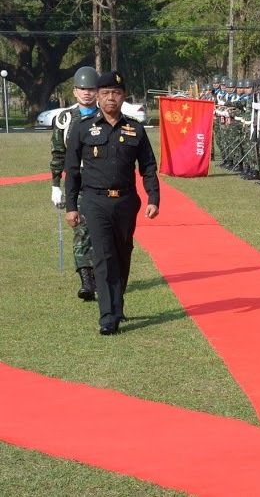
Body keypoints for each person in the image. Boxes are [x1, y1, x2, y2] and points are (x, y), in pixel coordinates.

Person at [64, 71, 160, 335]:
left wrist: (153, 197)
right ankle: (108, 315)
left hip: (127, 201)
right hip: (94, 201)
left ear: (123, 96)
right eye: (105, 93)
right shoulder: (83, 128)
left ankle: (117, 307)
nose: (110, 98)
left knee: (122, 254)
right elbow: (72, 169)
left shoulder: (135, 129)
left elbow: (148, 167)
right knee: (104, 256)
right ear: (97, 96)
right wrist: (71, 205)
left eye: (115, 94)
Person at [50, 66, 100, 301]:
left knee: (101, 231)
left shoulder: (107, 115)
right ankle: (87, 281)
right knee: (81, 230)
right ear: (74, 91)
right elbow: (58, 153)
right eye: (82, 89)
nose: (87, 93)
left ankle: (101, 276)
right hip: (77, 182)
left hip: (101, 181)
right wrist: (55, 186)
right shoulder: (64, 118)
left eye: (91, 89)